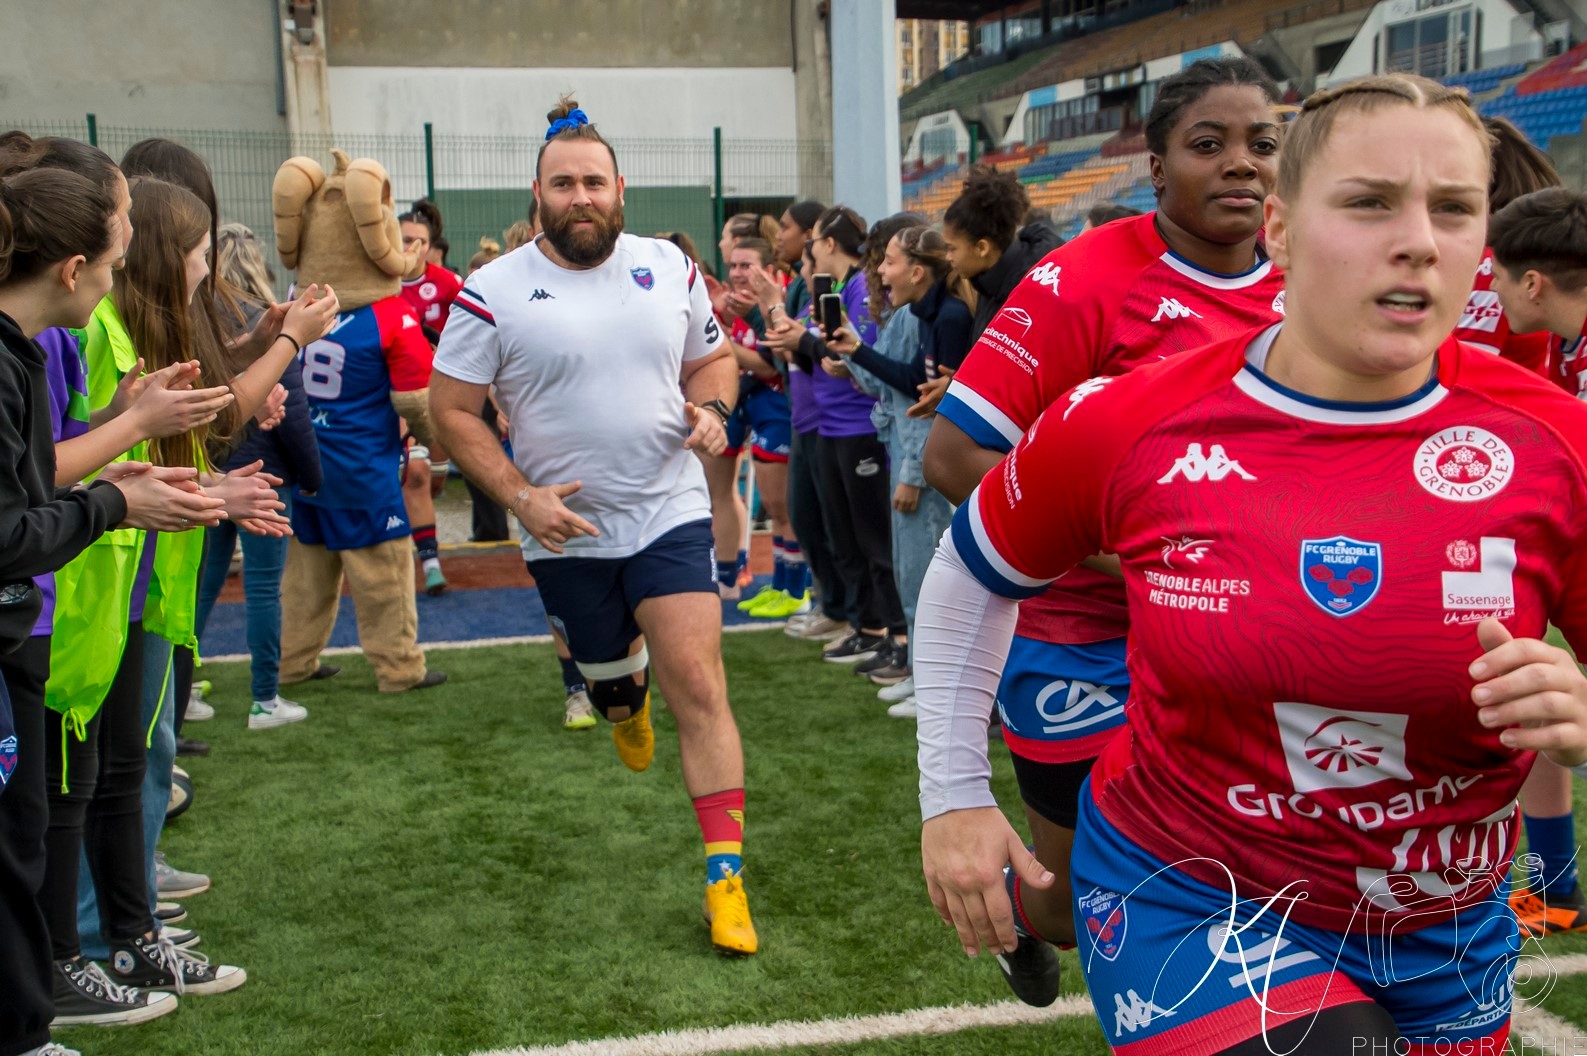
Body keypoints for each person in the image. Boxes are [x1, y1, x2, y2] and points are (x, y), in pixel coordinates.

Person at [917, 72, 1574, 1056]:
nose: (1417, 240)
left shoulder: (1554, 442)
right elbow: (973, 569)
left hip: (1442, 924)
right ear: (1281, 230)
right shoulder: (1128, 420)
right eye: (1368, 202)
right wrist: (954, 798)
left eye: (1452, 208)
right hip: (1187, 892)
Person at [922, 56, 1286, 1007]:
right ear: (1156, 168)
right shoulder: (1081, 281)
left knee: (1241, 873)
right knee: (1074, 904)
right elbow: (954, 459)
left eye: (1261, 143)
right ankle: (1019, 911)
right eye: (1207, 144)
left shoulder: (1310, 290)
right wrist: (1132, 558)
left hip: (1238, 645)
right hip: (1079, 644)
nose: (1240, 163)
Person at [431, 96, 757, 956]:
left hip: (668, 509)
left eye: (594, 182)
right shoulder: (491, 291)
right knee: (616, 693)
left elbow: (712, 359)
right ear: (536, 194)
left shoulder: (668, 267)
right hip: (565, 531)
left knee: (700, 684)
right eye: (563, 184)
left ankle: (725, 881)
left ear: (620, 189)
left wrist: (714, 410)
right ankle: (621, 698)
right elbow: (451, 410)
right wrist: (520, 496)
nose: (580, 197)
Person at [0, 156, 229, 1052]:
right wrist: (117, 488)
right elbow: (16, 523)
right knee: (37, 826)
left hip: (52, 616)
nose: (120, 261)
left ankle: (57, 991)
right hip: (54, 620)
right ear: (72, 270)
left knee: (47, 816)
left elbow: (36, 482)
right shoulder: (30, 353)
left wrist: (116, 462)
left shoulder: (22, 352)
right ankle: (50, 994)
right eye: (112, 245)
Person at [1454, 120, 1578, 939]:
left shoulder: (1488, 268)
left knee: (1506, 685)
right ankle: (1555, 886)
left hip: (1485, 498)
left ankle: (1549, 885)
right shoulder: (1510, 261)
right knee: (1519, 682)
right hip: (1509, 495)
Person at [829, 223, 973, 709]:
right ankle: (921, 672)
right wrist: (856, 351)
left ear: (917, 270)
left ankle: (936, 686)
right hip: (916, 456)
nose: (880, 272)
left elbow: (931, 408)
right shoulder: (924, 312)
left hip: (926, 464)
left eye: (888, 261)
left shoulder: (945, 316)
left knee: (925, 578)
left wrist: (913, 471)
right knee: (912, 577)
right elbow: (911, 379)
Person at [193, 223, 322, 730]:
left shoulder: (196, 321)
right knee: (265, 588)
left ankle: (181, 687)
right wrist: (312, 474)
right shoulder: (268, 325)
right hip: (264, 476)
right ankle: (264, 698)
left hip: (210, 469)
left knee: (203, 585)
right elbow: (294, 410)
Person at [766, 206, 903, 666]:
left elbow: (855, 354)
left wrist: (805, 342)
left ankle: (892, 632)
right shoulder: (834, 289)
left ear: (828, 243)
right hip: (828, 425)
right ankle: (865, 627)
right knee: (843, 536)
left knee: (872, 539)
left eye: (815, 241)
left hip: (860, 427)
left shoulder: (861, 288)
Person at [910, 167, 1062, 420]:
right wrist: (957, 384)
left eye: (952, 248)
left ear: (982, 248)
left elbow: (1022, 384)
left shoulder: (1029, 296)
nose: (947, 258)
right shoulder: (989, 281)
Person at [719, 238, 807, 619]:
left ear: (769, 270)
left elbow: (771, 364)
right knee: (774, 506)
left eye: (747, 265)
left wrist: (722, 344)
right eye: (734, 265)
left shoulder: (776, 304)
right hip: (758, 408)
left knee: (782, 505)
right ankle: (782, 584)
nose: (738, 273)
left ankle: (798, 590)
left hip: (779, 408)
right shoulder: (740, 304)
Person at [397, 200, 460, 596]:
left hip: (438, 393)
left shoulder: (449, 283)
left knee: (434, 479)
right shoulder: (379, 282)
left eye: (419, 241)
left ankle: (418, 532)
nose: (412, 248)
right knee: (414, 474)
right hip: (395, 396)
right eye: (404, 240)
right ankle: (430, 564)